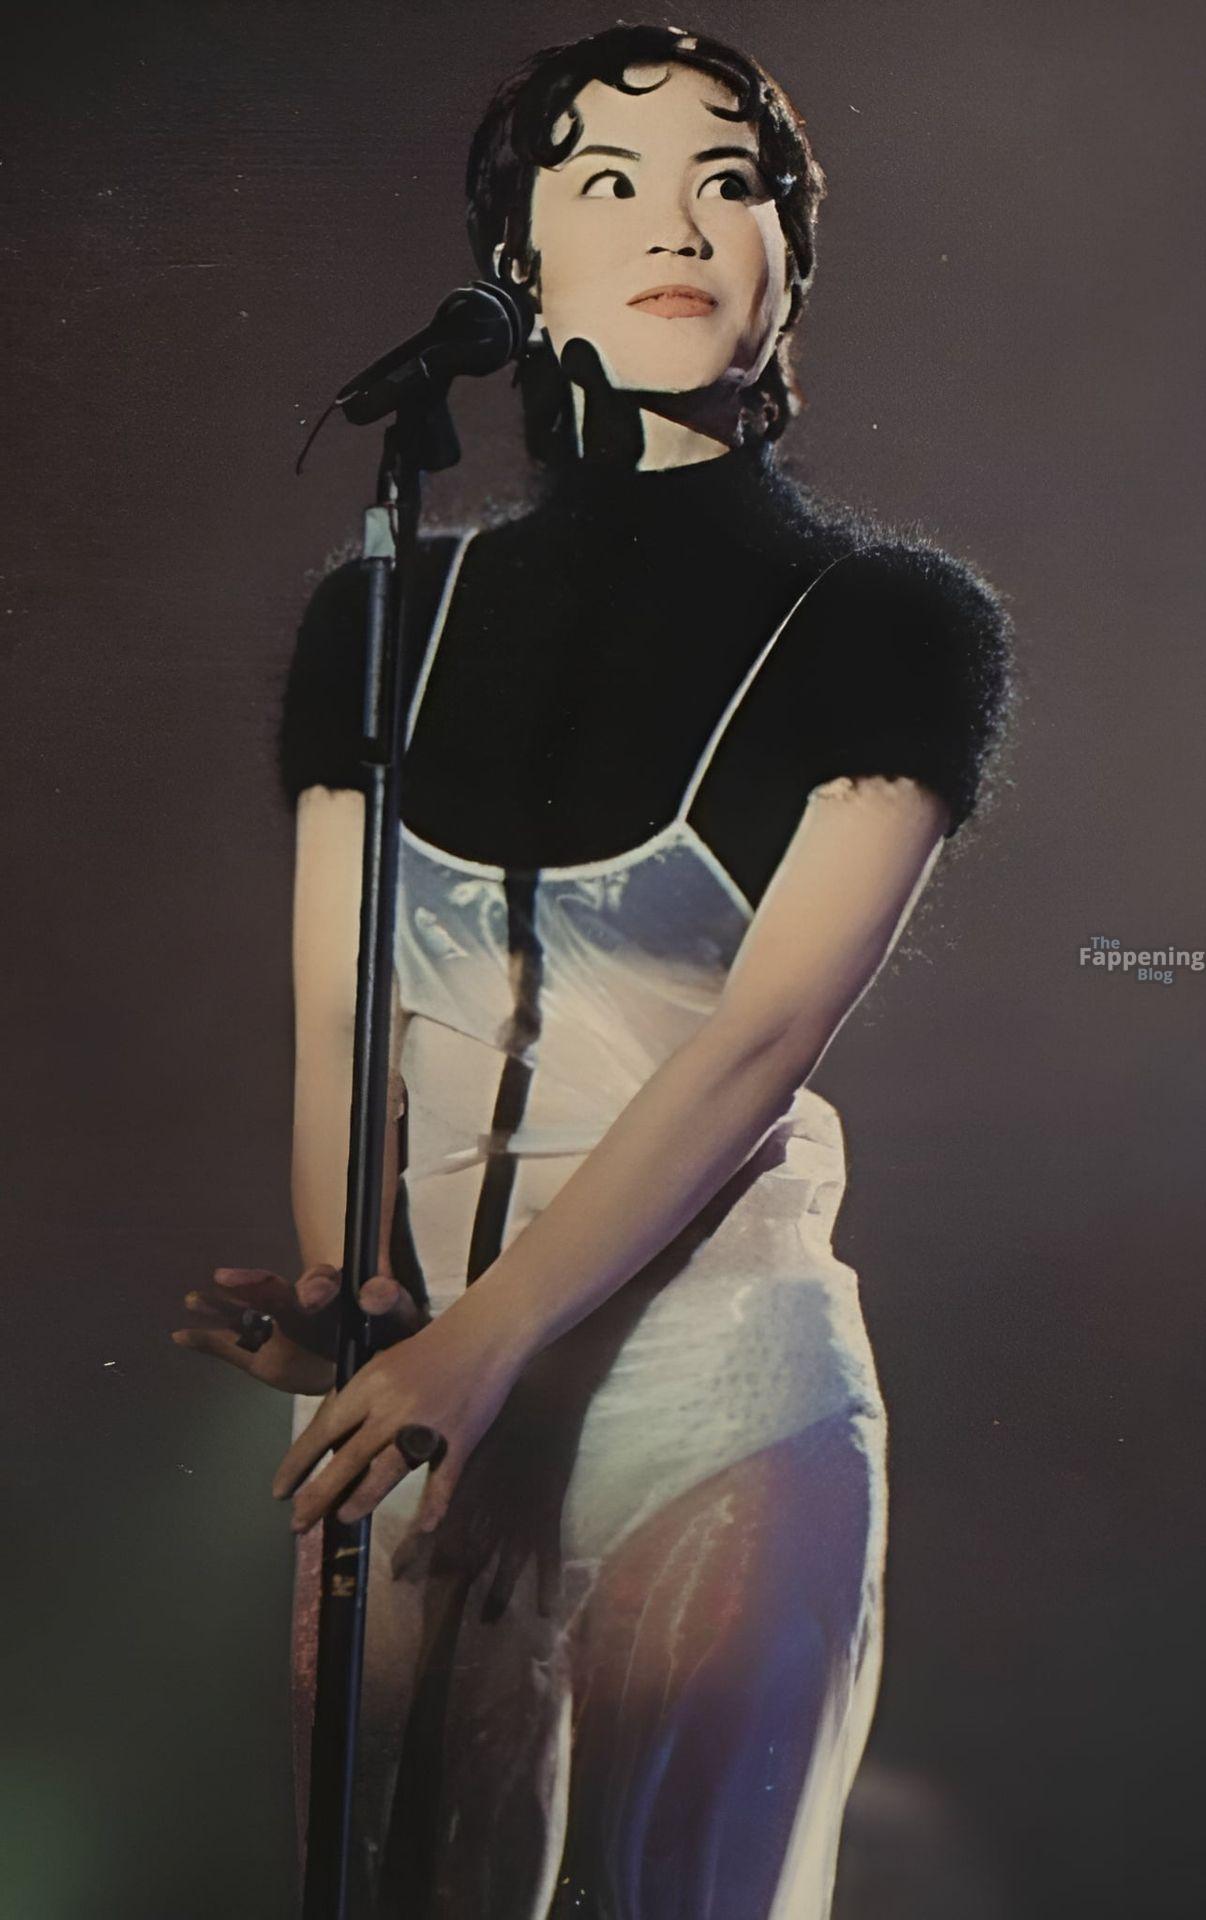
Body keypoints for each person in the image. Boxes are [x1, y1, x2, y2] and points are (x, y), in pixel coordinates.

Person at [174, 23, 1012, 1918]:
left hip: (709, 1398)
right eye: (611, 180)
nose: (680, 223)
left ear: (791, 256)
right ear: (519, 258)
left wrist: (478, 1343)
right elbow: (343, 1018)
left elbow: (760, 1039)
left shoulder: (895, 624)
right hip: (422, 1399)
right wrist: (357, 1316)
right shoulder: (380, 608)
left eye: (733, 182)